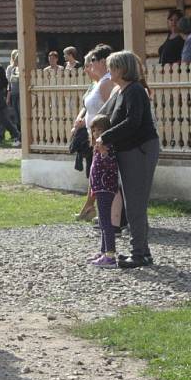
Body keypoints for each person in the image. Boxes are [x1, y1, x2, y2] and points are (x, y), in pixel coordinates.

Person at [96, 51, 160, 268]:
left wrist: (105, 136)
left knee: (135, 204)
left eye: (112, 67)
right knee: (133, 203)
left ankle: (139, 253)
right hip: (128, 150)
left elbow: (133, 122)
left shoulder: (135, 91)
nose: (109, 71)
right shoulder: (121, 91)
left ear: (122, 69)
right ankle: (143, 251)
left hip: (139, 149)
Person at [71, 44, 114, 221]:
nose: (91, 65)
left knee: (101, 174)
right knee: (95, 173)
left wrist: (103, 135)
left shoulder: (106, 82)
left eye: (93, 61)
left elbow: (108, 112)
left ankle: (99, 209)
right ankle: (89, 207)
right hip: (94, 135)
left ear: (103, 61)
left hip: (102, 135)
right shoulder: (99, 82)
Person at [86, 114, 123, 268]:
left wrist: (104, 153)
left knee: (106, 222)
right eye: (94, 131)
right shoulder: (96, 148)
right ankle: (103, 251)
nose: (96, 134)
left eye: (99, 130)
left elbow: (112, 166)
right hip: (99, 188)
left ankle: (110, 255)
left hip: (106, 188)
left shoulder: (108, 148)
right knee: (102, 221)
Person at [5, 50, 21, 133]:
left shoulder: (23, 70)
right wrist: (8, 97)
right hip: (13, 95)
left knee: (21, 115)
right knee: (15, 116)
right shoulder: (13, 69)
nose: (17, 61)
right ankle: (18, 134)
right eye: (16, 59)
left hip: (21, 95)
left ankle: (22, 134)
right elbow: (9, 85)